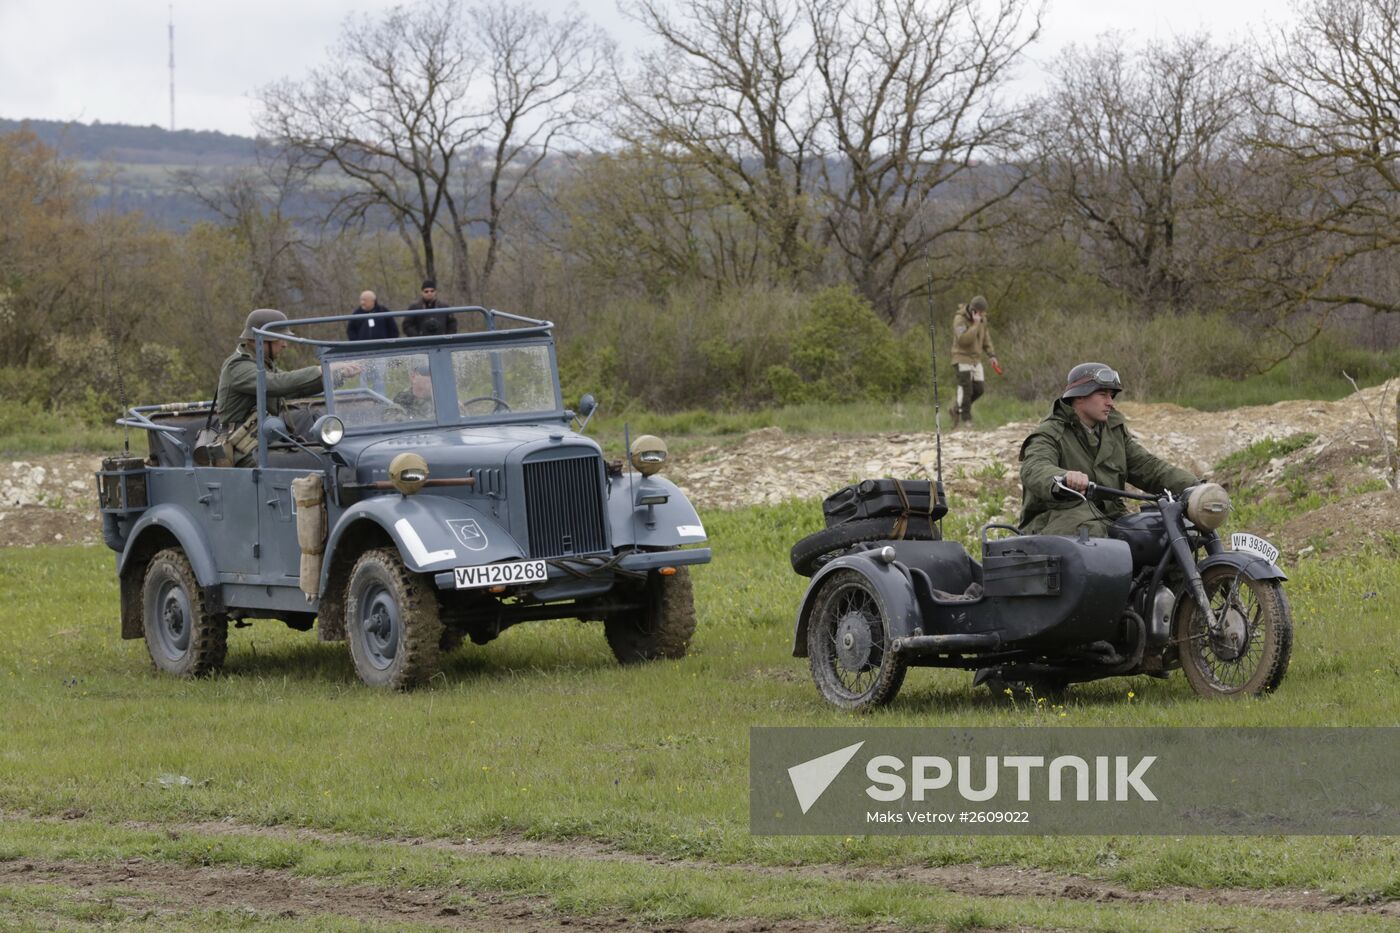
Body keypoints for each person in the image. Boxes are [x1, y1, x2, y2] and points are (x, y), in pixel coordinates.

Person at [1017, 362, 1198, 537]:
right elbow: (1034, 468)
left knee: (1161, 533)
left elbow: (1149, 467)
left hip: (1109, 517)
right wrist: (1064, 477)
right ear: (1079, 396)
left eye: (1111, 395)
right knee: (1094, 533)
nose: (1110, 402)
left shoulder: (1113, 431)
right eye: (1103, 395)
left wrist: (1195, 486)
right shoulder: (1049, 433)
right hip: (1054, 520)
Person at [217, 309, 354, 467]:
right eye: (278, 339)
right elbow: (277, 383)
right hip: (243, 450)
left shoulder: (262, 364)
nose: (284, 344)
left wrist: (337, 376)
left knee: (332, 456)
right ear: (260, 340)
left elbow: (295, 388)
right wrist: (320, 369)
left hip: (264, 443)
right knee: (313, 462)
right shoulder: (238, 366)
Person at [950, 295, 999, 427]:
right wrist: (975, 325)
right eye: (980, 312)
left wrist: (991, 355)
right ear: (974, 310)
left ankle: (956, 408)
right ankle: (967, 420)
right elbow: (963, 341)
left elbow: (986, 338)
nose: (982, 315)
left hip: (976, 359)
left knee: (979, 389)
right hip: (961, 357)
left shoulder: (982, 320)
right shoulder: (959, 320)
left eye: (983, 313)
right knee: (967, 390)